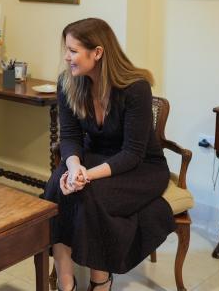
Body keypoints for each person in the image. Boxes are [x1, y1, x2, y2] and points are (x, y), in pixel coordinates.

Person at [43, 18, 175, 291]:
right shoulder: (68, 83)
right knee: (57, 185)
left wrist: (86, 176)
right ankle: (65, 284)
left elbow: (132, 154)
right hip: (95, 157)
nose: (67, 58)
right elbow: (69, 136)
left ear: (98, 52)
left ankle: (100, 282)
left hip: (141, 168)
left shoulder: (136, 88)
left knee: (89, 196)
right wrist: (74, 166)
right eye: (66, 50)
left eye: (73, 50)